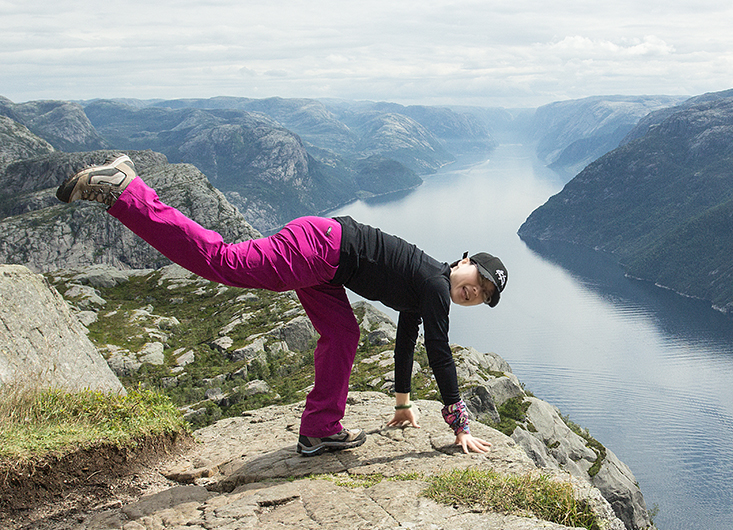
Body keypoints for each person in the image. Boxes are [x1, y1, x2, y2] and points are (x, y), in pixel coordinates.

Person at [56, 155, 508, 456]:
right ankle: (125, 191)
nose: (475, 293)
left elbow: (407, 342)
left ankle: (319, 429)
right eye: (479, 281)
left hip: (328, 263)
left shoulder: (425, 288)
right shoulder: (432, 283)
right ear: (465, 261)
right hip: (321, 250)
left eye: (484, 296)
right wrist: (459, 426)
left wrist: (402, 403)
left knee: (343, 333)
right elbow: (441, 356)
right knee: (222, 260)